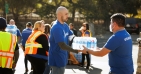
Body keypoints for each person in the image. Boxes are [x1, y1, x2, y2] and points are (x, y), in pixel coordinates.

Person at [48, 6, 83, 74]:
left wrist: (82, 42)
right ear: (59, 15)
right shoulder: (56, 27)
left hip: (63, 57)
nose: (68, 16)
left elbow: (72, 36)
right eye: (66, 14)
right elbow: (62, 45)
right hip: (57, 59)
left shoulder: (65, 25)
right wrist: (77, 50)